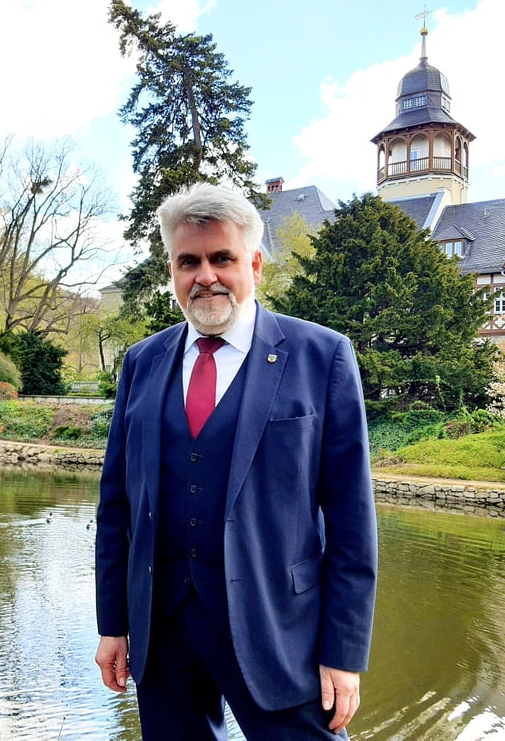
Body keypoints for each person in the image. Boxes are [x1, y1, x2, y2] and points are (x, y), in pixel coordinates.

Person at [94, 183, 378, 739]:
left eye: (221, 257)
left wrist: (344, 651)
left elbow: (351, 520)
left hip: (279, 630)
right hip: (164, 630)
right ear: (172, 271)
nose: (205, 275)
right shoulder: (142, 362)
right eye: (188, 261)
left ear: (254, 264)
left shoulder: (322, 356)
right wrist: (114, 623)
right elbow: (117, 506)